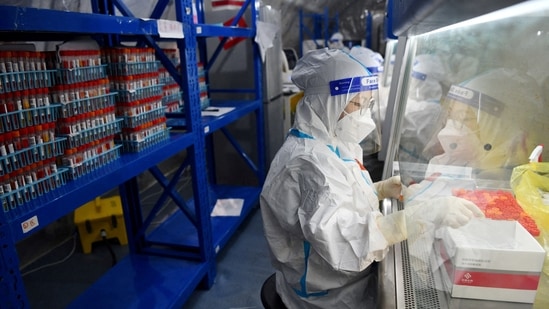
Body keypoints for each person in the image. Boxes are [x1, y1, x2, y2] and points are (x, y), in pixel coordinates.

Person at [260, 48, 484, 309]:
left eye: (367, 104)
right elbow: (344, 241)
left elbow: (336, 197)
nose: (363, 115)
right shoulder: (310, 163)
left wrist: (379, 190)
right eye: (356, 104)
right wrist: (421, 216)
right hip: (324, 296)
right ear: (326, 101)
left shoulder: (330, 140)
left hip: (337, 283)